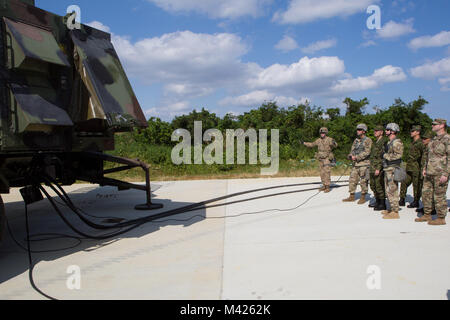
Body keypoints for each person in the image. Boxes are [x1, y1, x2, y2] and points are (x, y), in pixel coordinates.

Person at [415, 119, 449, 226]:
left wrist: (446, 173)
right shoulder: (433, 139)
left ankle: (440, 217)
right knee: (426, 194)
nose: (432, 126)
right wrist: (425, 168)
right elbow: (428, 155)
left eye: (434, 124)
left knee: (439, 196)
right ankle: (427, 214)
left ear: (442, 125)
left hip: (440, 172)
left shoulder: (447, 139)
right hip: (429, 171)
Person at [343, 124, 372, 204]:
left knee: (363, 181)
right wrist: (350, 155)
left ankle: (363, 197)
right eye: (357, 129)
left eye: (359, 130)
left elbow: (367, 152)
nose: (357, 131)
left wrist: (357, 157)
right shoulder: (356, 140)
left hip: (364, 164)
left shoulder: (368, 140)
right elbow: (353, 150)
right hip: (355, 164)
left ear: (363, 131)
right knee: (352, 179)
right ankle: (351, 196)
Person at [304, 127, 338, 193]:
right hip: (320, 158)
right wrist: (304, 143)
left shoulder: (329, 139)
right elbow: (312, 144)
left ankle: (327, 186)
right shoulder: (318, 140)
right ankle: (324, 185)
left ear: (326, 133)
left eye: (323, 133)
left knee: (327, 172)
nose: (322, 134)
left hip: (327, 158)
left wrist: (334, 143)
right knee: (322, 172)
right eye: (321, 133)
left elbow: (335, 145)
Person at [381, 123, 404, 220]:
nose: (385, 131)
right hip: (388, 168)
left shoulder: (396, 143)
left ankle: (395, 211)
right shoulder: (389, 142)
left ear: (393, 131)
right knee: (388, 190)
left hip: (393, 168)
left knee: (392, 190)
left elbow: (398, 155)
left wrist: (385, 156)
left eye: (387, 129)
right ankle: (391, 208)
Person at [399, 125, 425, 208]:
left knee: (416, 185)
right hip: (409, 167)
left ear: (418, 132)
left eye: (413, 131)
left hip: (416, 168)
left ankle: (416, 201)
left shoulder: (421, 143)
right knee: (404, 182)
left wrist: (423, 168)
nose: (411, 132)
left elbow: (423, 156)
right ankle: (402, 199)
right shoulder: (412, 142)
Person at [416, 131, 436, 215]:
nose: (423, 140)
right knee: (425, 191)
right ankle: (426, 207)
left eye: (425, 139)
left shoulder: (433, 149)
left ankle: (432, 208)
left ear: (430, 139)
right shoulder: (425, 148)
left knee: (431, 191)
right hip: (425, 171)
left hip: (432, 172)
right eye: (423, 138)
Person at [369, 125, 387, 211]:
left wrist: (379, 168)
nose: (375, 132)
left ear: (381, 132)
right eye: (374, 130)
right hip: (372, 167)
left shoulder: (383, 142)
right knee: (373, 185)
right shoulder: (375, 142)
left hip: (378, 168)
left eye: (377, 130)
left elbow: (382, 157)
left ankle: (382, 203)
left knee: (379, 185)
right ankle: (377, 201)